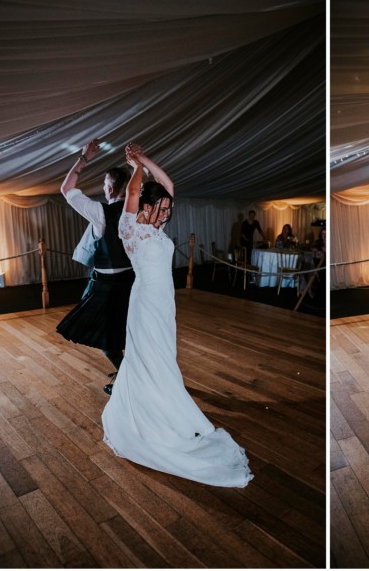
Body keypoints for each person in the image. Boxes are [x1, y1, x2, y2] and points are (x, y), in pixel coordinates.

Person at [101, 143, 252, 487]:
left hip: (163, 303)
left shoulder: (156, 229)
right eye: (162, 208)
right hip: (144, 305)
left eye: (168, 209)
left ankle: (161, 401)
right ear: (145, 204)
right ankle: (155, 414)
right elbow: (138, 188)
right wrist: (135, 166)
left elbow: (169, 185)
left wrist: (144, 159)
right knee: (151, 359)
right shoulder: (130, 226)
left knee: (163, 357)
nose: (166, 213)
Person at [56, 139, 134, 394]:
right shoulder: (138, 212)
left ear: (111, 188)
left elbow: (67, 189)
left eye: (104, 185)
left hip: (106, 286)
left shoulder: (103, 213)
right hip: (132, 282)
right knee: (129, 334)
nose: (103, 189)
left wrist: (84, 158)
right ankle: (132, 374)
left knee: (105, 338)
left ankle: (126, 379)